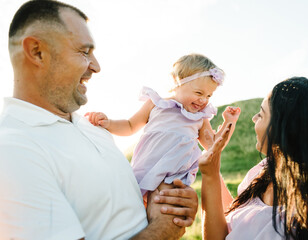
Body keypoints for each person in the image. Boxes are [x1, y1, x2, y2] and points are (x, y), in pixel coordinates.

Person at [0, 0, 199, 239]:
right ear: (37, 52)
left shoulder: (94, 127)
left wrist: (171, 205)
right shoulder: (12, 149)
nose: (97, 66)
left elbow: (120, 215)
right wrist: (164, 230)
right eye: (84, 52)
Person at [189, 77, 308, 239]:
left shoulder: (302, 220)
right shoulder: (264, 171)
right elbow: (233, 223)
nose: (254, 118)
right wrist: (213, 162)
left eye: (261, 115)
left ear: (285, 130)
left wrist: (211, 175)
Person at [86, 53, 241, 200]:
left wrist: (229, 122)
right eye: (199, 93)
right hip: (146, 170)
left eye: (209, 96)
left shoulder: (200, 118)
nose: (203, 100)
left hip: (174, 178)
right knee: (134, 209)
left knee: (162, 211)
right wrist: (109, 123)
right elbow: (130, 125)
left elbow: (213, 145)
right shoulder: (156, 104)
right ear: (177, 82)